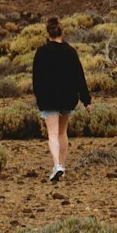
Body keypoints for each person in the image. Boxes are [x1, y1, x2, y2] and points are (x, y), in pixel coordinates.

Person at [31, 15, 92, 182]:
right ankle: (61, 167)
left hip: (49, 98)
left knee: (52, 133)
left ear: (48, 33)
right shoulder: (70, 51)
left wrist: (39, 97)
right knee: (62, 132)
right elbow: (80, 77)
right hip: (67, 97)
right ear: (61, 32)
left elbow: (36, 78)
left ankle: (57, 165)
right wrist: (86, 100)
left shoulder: (41, 52)